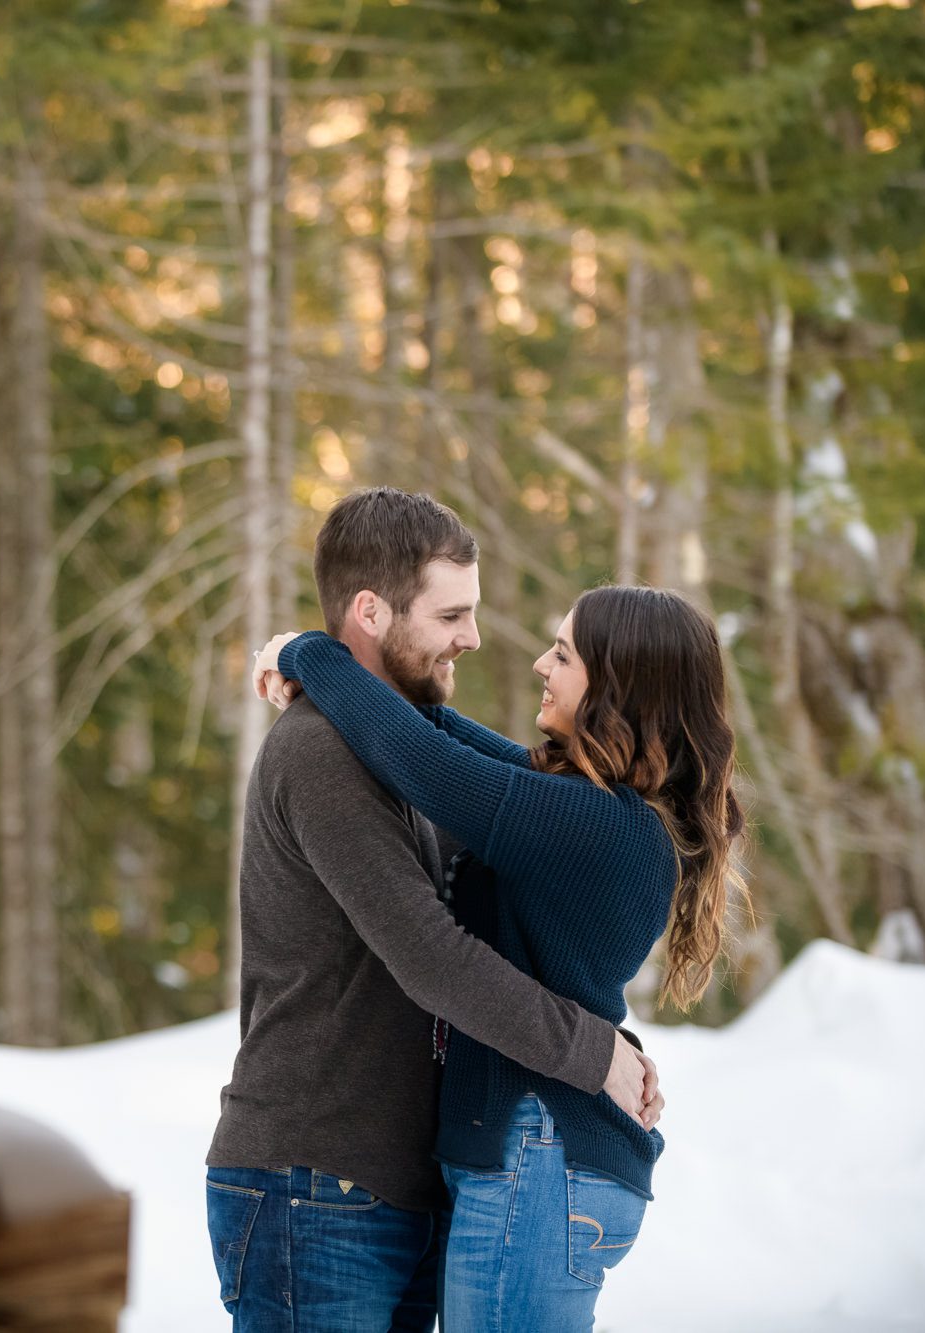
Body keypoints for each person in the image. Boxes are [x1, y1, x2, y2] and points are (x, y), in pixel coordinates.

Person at [206, 487, 661, 1333]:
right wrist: (587, 1048)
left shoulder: (410, 753)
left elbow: (512, 903)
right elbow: (433, 957)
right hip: (316, 1180)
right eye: (452, 613)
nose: (475, 637)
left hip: (400, 1188)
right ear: (372, 612)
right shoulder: (321, 752)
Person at [253, 571, 744, 1332]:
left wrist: (314, 656)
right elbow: (447, 737)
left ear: (618, 687)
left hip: (538, 1158)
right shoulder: (603, 813)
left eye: (563, 654)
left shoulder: (593, 823)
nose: (543, 667)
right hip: (545, 1156)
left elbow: (427, 762)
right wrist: (334, 676)